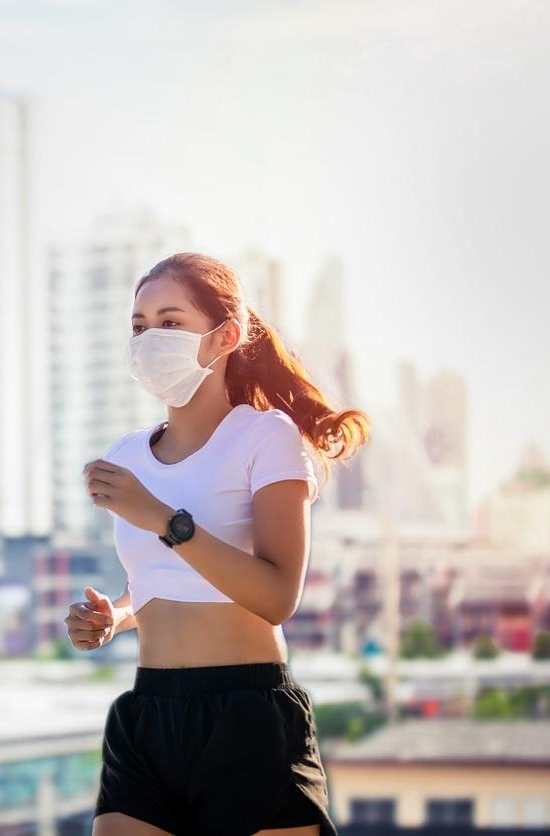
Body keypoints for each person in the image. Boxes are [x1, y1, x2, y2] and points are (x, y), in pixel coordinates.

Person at [72, 253, 371, 836]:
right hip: (148, 714)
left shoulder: (265, 437)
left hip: (248, 715)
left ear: (225, 335)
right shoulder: (126, 454)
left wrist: (161, 517)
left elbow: (278, 594)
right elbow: (159, 581)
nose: (149, 339)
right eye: (138, 326)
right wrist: (118, 614)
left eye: (170, 322)